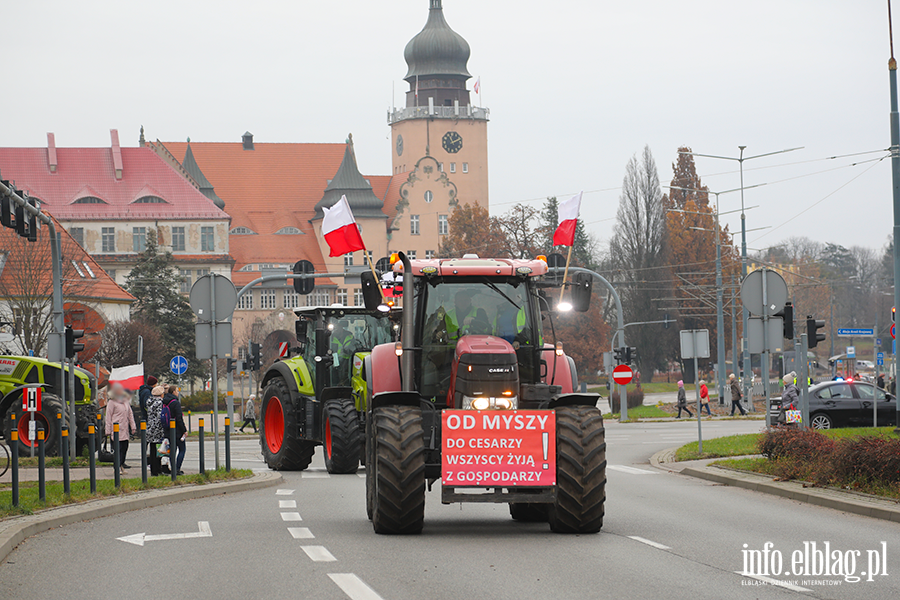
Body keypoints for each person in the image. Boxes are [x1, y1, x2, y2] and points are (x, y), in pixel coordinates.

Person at [104, 382, 136, 475]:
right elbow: (108, 417)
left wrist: (133, 426)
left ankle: (121, 465)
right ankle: (116, 468)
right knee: (117, 450)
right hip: (116, 430)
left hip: (125, 429)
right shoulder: (111, 402)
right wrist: (108, 430)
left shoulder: (125, 402)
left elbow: (130, 414)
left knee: (124, 448)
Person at [162, 385, 187, 475]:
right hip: (177, 430)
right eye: (177, 390)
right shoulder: (175, 403)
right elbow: (179, 418)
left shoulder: (165, 401)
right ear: (173, 392)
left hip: (168, 430)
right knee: (182, 449)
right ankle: (176, 469)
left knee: (172, 450)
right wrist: (184, 430)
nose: (178, 392)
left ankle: (172, 468)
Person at [146, 385, 166, 476]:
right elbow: (160, 416)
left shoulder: (149, 402)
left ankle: (153, 469)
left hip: (150, 427)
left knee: (153, 449)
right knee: (159, 451)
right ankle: (157, 469)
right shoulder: (160, 403)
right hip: (158, 429)